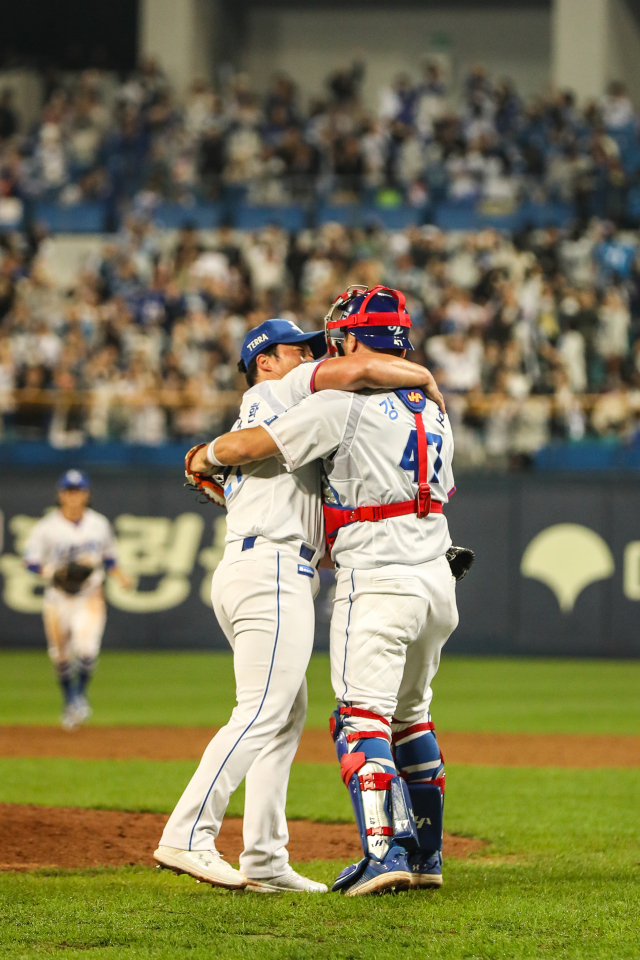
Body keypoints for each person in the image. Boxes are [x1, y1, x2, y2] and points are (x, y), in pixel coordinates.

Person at [154, 315, 445, 893]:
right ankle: (188, 833)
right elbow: (362, 367)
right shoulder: (280, 390)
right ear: (265, 360)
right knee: (263, 710)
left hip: (263, 563)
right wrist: (424, 378)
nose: (315, 357)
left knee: (283, 718)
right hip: (273, 568)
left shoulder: (276, 408)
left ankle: (264, 859)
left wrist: (205, 458)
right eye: (301, 350)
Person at [23, 469, 131, 730]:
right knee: (60, 656)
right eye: (69, 491)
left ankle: (78, 697)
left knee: (86, 650)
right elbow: (31, 562)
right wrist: (52, 572)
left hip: (89, 596)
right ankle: (70, 699)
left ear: (86, 494)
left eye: (78, 491)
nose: (73, 496)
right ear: (61, 495)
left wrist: (120, 576)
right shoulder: (46, 527)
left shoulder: (99, 524)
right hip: (57, 598)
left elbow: (109, 557)